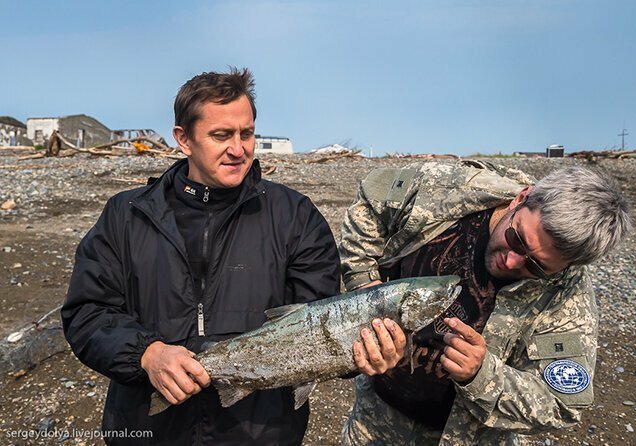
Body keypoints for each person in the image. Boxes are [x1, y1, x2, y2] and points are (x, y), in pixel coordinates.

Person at [61, 68, 404, 445]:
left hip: (259, 433)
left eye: (247, 133)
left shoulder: (295, 217)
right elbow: (87, 313)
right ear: (183, 139)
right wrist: (147, 353)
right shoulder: (126, 216)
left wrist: (360, 353)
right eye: (221, 135)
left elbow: (320, 323)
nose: (238, 149)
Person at [338, 160, 630, 445]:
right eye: (517, 239)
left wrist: (481, 375)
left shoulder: (566, 296)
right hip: (373, 421)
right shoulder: (447, 189)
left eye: (537, 267)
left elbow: (562, 404)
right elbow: (372, 197)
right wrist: (366, 288)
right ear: (521, 198)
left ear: (566, 267)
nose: (511, 260)